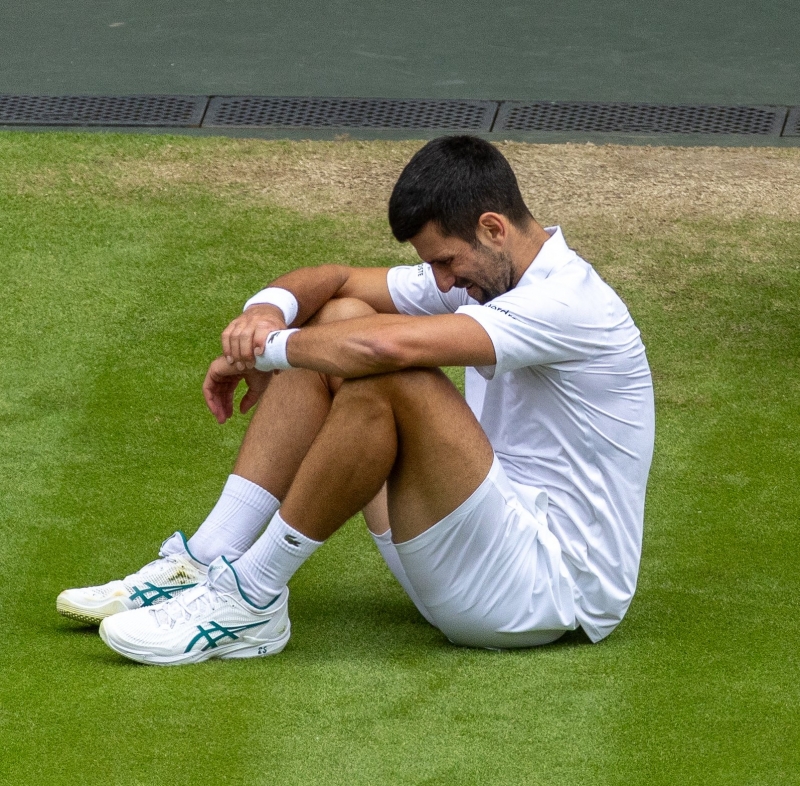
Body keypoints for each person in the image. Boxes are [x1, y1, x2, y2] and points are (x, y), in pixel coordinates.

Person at [57, 136, 655, 665]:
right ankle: (208, 559)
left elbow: (382, 349)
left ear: (493, 228)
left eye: (447, 261)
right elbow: (336, 281)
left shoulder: (573, 303)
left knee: (389, 370)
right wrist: (263, 316)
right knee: (340, 322)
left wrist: (265, 353)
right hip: (468, 547)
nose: (443, 283)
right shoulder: (486, 274)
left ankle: (252, 597)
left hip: (540, 594)